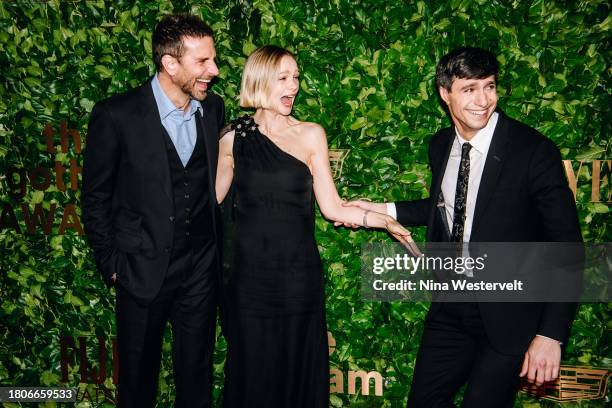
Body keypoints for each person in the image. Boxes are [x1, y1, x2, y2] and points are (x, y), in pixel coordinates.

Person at [344, 47, 582, 407]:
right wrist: (383, 209)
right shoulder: (441, 145)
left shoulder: (533, 151)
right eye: (469, 89)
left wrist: (551, 334)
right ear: (445, 93)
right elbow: (448, 207)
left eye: (489, 86)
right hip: (451, 307)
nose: (483, 100)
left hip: (509, 314)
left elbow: (567, 245)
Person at [215, 45, 416, 407]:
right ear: (260, 81)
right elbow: (208, 204)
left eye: (296, 77)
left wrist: (384, 220)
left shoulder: (310, 135)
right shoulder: (233, 138)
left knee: (297, 370)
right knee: (252, 373)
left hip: (297, 278)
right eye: (283, 78)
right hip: (249, 281)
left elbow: (333, 207)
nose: (293, 86)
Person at [82, 14, 224, 408]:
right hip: (141, 269)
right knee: (138, 381)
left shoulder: (213, 110)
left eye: (213, 59)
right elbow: (95, 197)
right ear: (169, 64)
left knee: (196, 378)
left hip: (200, 269)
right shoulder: (117, 115)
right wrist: (112, 262)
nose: (213, 70)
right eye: (203, 62)